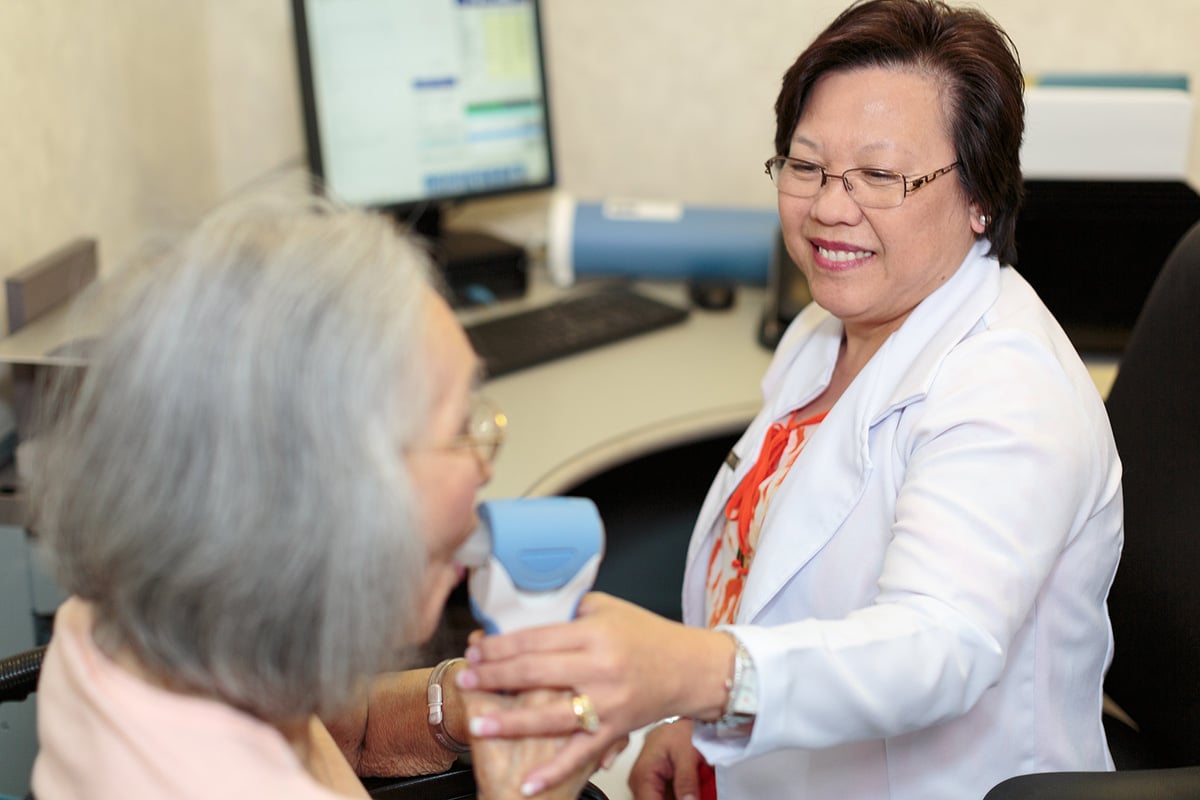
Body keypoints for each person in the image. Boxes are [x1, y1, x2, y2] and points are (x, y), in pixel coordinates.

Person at [455, 1, 1125, 798]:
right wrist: (700, 723)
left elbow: (936, 650)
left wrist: (694, 676)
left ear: (981, 195)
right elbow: (766, 568)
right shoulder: (828, 327)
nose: (829, 207)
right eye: (804, 166)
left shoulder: (1009, 386)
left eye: (880, 175)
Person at [24, 196, 594, 799]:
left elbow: (337, 737)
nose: (483, 465)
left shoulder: (106, 633)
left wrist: (454, 706)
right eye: (459, 430)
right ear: (335, 503)